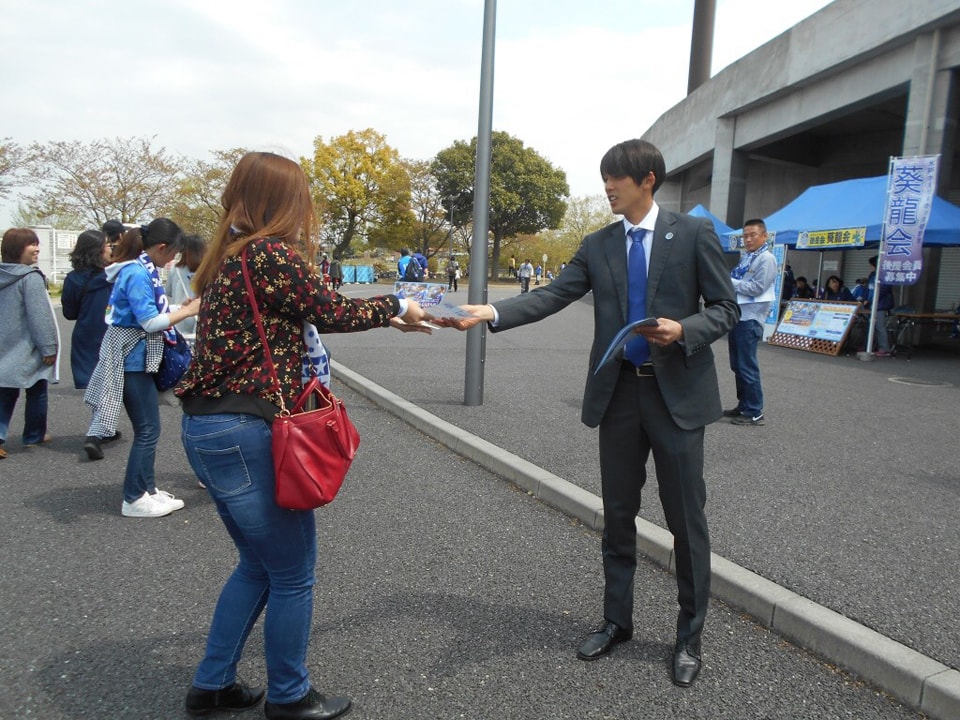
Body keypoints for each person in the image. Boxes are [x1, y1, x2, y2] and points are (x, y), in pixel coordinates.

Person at [441, 139, 738, 688]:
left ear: (647, 180)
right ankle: (616, 620)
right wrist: (491, 311)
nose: (607, 187)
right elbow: (553, 295)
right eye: (603, 178)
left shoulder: (693, 234)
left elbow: (726, 309)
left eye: (615, 179)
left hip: (676, 398)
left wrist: (683, 330)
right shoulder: (599, 244)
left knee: (685, 520)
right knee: (618, 514)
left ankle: (689, 635)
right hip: (619, 394)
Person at [175, 151, 430, 720]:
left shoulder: (229, 256)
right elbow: (328, 308)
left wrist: (386, 314)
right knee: (292, 573)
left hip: (207, 426)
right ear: (282, 202)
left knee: (258, 565)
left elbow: (309, 310)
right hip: (247, 428)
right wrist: (401, 302)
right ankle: (289, 697)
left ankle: (212, 685)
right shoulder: (269, 253)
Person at [82, 219, 200, 518]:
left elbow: (150, 313)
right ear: (161, 247)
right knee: (147, 430)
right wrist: (185, 311)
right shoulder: (137, 272)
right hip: (132, 360)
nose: (172, 260)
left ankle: (147, 490)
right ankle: (134, 497)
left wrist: (177, 308)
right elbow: (149, 322)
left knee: (149, 429)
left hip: (134, 358)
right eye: (171, 253)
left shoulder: (139, 268)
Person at [0, 228, 59, 460]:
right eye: (30, 245)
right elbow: (40, 316)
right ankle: (34, 435)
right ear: (17, 249)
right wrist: (48, 347)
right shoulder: (29, 277)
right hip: (27, 346)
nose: (37, 249)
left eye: (37, 244)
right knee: (37, 388)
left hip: (4, 346)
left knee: (5, 392)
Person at [724, 218, 777, 427]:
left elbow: (757, 288)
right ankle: (744, 404)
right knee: (737, 365)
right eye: (745, 235)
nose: (747, 239)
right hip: (738, 316)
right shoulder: (748, 258)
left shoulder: (766, 259)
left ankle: (754, 411)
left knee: (747, 366)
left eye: (752, 234)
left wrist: (731, 282)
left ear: (764, 236)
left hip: (750, 318)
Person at [62, 230, 114, 390]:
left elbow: (69, 313)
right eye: (109, 246)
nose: (111, 249)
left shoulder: (73, 278)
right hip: (112, 335)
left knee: (90, 389)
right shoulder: (114, 276)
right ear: (98, 250)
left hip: (85, 338)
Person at [165, 233, 208, 342]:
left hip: (179, 318)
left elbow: (169, 293)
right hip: (201, 319)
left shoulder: (175, 269)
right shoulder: (209, 270)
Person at [864, 254, 895, 356]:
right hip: (872, 305)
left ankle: (884, 348)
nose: (870, 267)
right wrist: (867, 300)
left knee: (880, 327)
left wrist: (872, 300)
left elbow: (882, 290)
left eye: (871, 265)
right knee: (871, 326)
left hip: (880, 305)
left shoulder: (884, 275)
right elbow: (870, 289)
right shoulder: (872, 276)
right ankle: (869, 346)